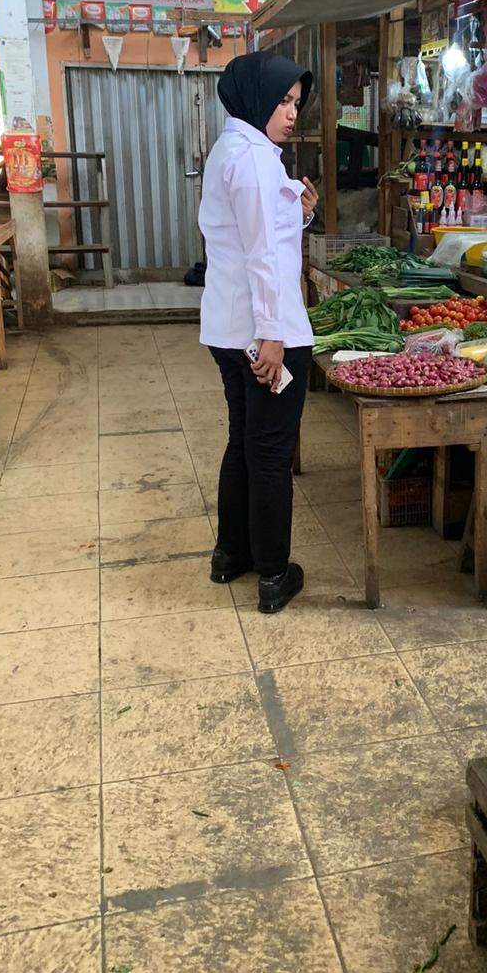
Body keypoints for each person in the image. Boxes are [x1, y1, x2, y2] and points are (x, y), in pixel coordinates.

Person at [199, 52, 319, 614]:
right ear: (256, 98)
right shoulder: (252, 160)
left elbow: (258, 233)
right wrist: (273, 335)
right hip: (263, 333)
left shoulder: (234, 149)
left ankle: (232, 553)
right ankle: (273, 573)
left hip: (229, 329)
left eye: (296, 102)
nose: (291, 112)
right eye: (283, 100)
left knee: (244, 440)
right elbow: (263, 255)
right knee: (270, 452)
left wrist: (302, 211)